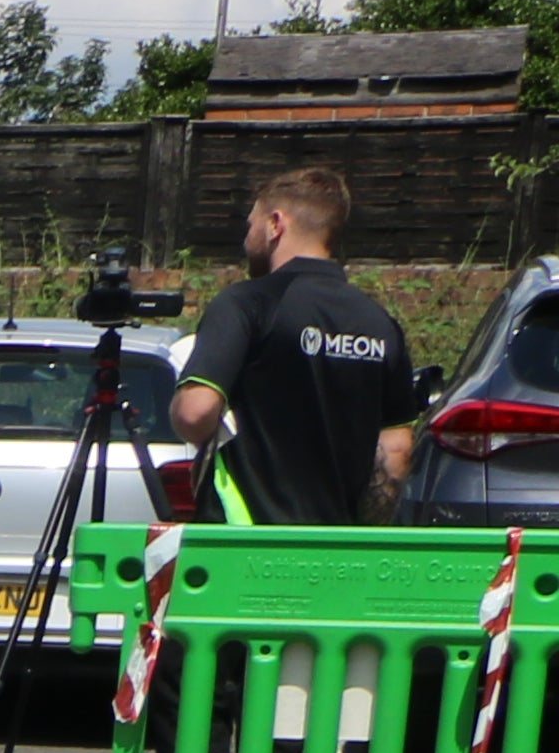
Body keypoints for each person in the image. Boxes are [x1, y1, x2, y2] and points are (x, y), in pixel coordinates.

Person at [172, 167, 419, 524]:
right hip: (336, 552)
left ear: (275, 224)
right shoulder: (380, 322)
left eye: (250, 225)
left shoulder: (247, 303)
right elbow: (396, 455)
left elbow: (194, 414)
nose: (246, 240)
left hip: (243, 546)